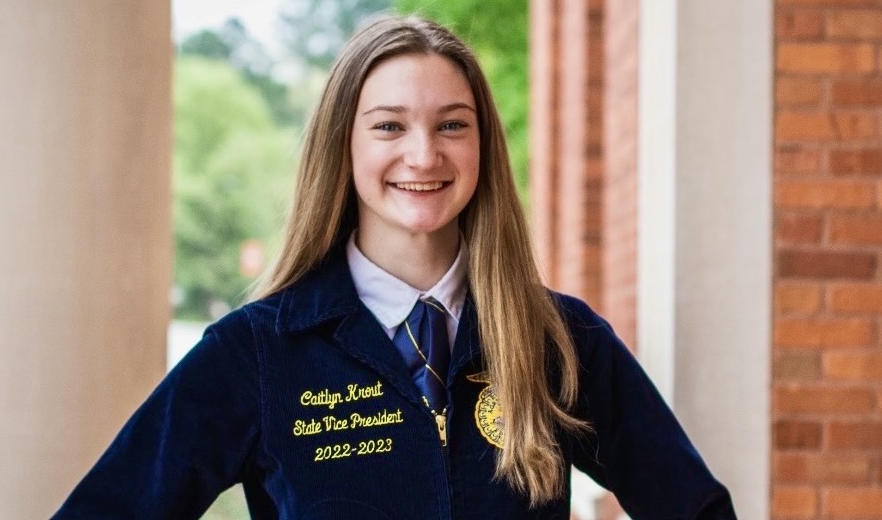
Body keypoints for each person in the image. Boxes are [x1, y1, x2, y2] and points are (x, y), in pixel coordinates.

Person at [53, 15, 736, 519]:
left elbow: (694, 508)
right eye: (389, 126)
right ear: (342, 147)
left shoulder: (559, 339)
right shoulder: (257, 354)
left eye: (451, 125)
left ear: (482, 146)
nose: (423, 155)